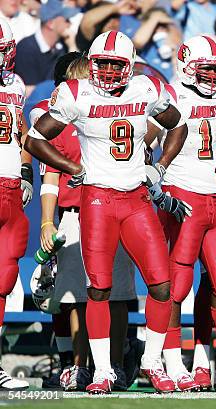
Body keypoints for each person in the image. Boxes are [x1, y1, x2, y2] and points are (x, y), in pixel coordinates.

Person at [24, 30, 189, 394]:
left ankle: (152, 363)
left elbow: (178, 124)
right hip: (98, 200)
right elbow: (34, 139)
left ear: (129, 66)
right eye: (103, 63)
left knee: (163, 285)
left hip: (136, 200)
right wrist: (72, 169)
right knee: (98, 289)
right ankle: (102, 371)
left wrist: (159, 166)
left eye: (117, 64)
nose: (110, 71)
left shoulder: (145, 88)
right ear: (92, 64)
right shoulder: (76, 93)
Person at [32, 53, 138, 392]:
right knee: (77, 296)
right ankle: (79, 364)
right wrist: (48, 223)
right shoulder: (59, 125)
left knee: (117, 294)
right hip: (77, 216)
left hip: (117, 209)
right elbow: (49, 175)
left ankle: (116, 363)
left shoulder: (118, 115)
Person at [159, 34, 216, 392]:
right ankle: (173, 358)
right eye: (205, 68)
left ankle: (209, 361)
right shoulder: (171, 95)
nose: (211, 75)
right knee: (177, 285)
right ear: (187, 67)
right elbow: (147, 137)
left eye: (215, 68)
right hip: (183, 192)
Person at [0, 17, 30, 391]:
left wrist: (25, 174)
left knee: (4, 279)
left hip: (9, 186)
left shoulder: (16, 85)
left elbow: (21, 135)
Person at [14, 0, 78, 96]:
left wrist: (72, 46)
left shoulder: (63, 45)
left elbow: (77, 79)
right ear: (50, 23)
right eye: (66, 20)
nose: (70, 24)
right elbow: (29, 92)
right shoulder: (26, 49)